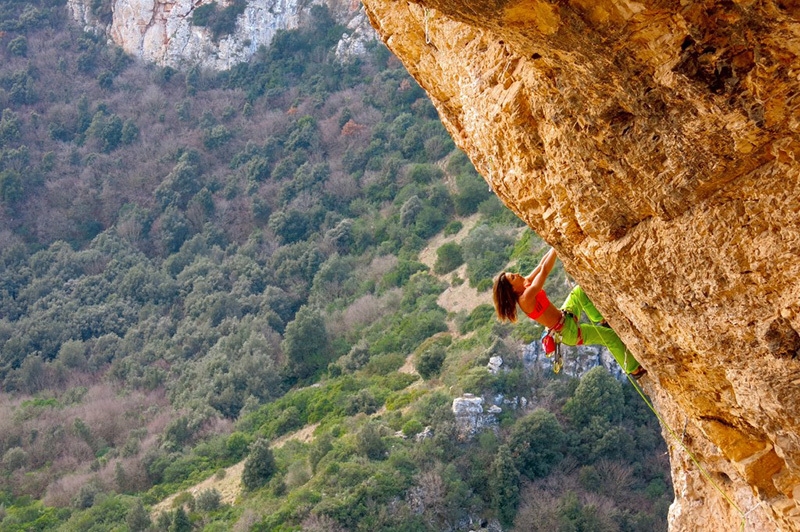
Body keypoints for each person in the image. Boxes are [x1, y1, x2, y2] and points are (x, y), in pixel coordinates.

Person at [493, 247, 646, 379]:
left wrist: (553, 244)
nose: (517, 274)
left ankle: (602, 320)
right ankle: (633, 369)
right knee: (611, 337)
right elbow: (545, 271)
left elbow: (540, 265)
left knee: (579, 291)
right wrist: (556, 248)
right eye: (513, 277)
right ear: (512, 289)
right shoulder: (526, 298)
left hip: (565, 316)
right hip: (567, 331)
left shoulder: (524, 284)